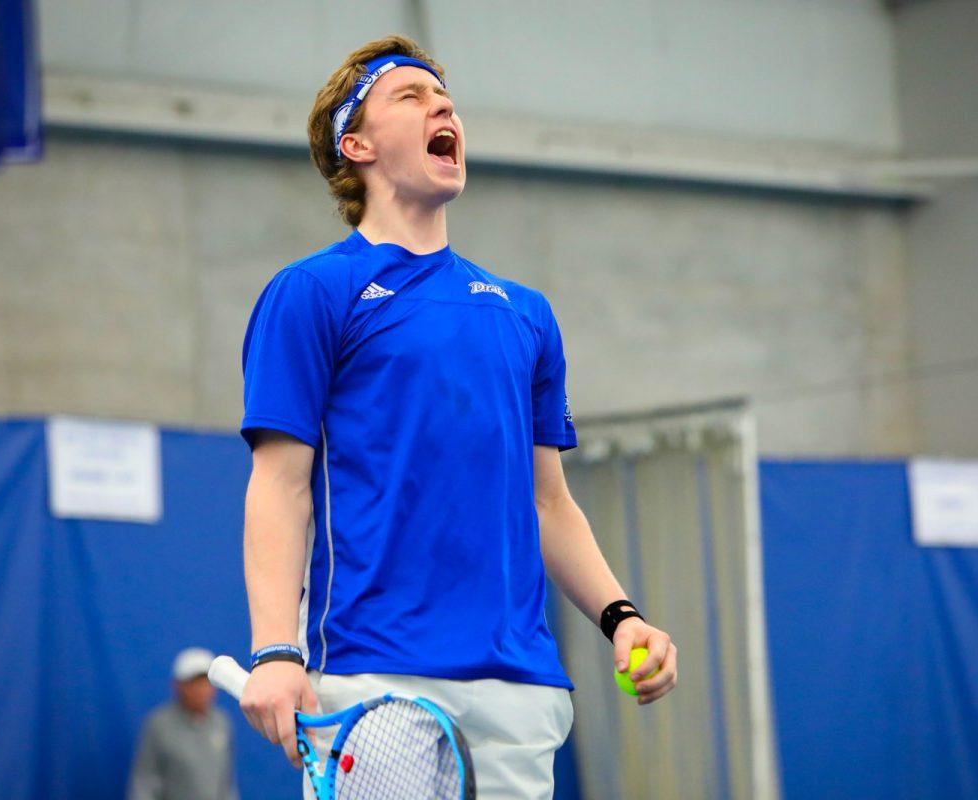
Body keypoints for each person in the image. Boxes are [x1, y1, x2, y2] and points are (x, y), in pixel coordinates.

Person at [237, 34, 678, 799]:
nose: (442, 106)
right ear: (357, 144)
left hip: (521, 692)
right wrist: (276, 650)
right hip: (376, 679)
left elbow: (548, 500)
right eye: (410, 96)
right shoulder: (312, 293)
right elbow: (280, 486)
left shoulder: (526, 315)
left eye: (446, 99)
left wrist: (622, 616)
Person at [128, 648, 238, 800]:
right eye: (194, 683)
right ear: (178, 685)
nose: (201, 689)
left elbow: (225, 782)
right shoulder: (159, 725)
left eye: (206, 682)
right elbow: (144, 783)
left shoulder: (221, 723)